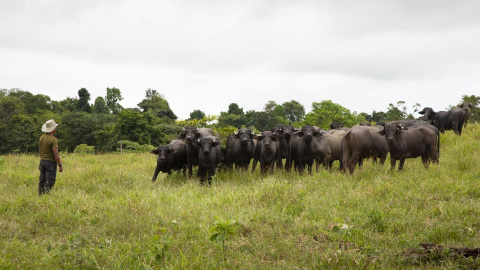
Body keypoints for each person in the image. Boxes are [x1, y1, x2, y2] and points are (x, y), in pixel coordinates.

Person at [38, 119, 63, 195]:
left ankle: (40, 195)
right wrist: (60, 165)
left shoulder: (41, 138)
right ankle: (46, 195)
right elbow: (56, 154)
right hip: (50, 163)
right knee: (49, 181)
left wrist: (42, 158)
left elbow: (40, 150)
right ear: (53, 129)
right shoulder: (54, 140)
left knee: (42, 180)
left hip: (42, 161)